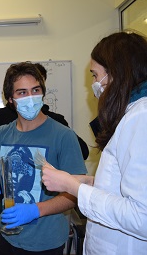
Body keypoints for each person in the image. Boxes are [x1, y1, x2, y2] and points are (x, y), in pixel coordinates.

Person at [42, 31, 147, 254]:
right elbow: (125, 184)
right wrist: (90, 181)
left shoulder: (141, 118)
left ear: (115, 74)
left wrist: (73, 187)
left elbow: (142, 217)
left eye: (94, 74)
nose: (94, 84)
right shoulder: (132, 115)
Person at [0, 62, 87, 255]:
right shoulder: (2, 133)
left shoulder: (63, 135)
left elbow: (76, 194)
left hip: (45, 242)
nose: (30, 98)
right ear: (11, 99)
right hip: (7, 235)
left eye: (35, 90)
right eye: (22, 92)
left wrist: (36, 210)